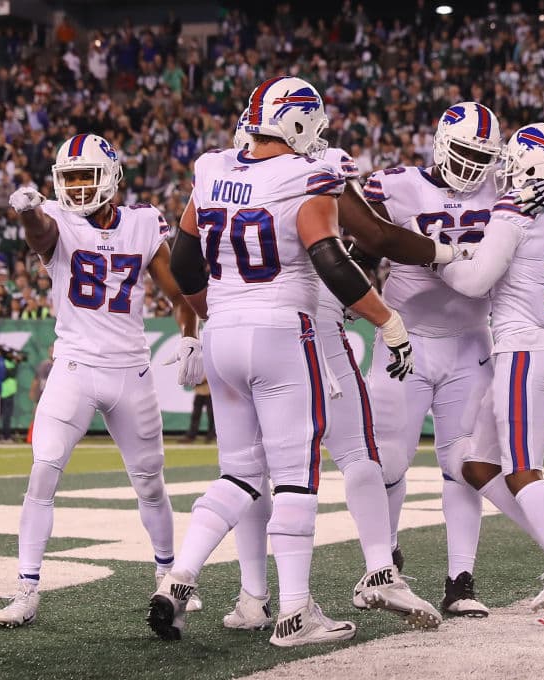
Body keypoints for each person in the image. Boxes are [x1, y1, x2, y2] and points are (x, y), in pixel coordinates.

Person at [152, 77, 427, 647]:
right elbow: (330, 258)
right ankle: (296, 612)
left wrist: (209, 318)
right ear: (299, 123)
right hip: (283, 330)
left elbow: (182, 263)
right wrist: (388, 322)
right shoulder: (308, 175)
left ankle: (178, 580)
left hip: (223, 333)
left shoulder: (211, 170)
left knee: (238, 473)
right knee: (299, 476)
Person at [221, 107, 465, 631]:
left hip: (238, 328)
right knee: (353, 450)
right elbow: (376, 238)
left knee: (250, 471)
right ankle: (374, 571)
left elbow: (197, 258)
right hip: (311, 324)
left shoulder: (218, 174)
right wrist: (446, 255)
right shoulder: (318, 168)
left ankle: (250, 596)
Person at [363, 106, 544, 616]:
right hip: (405, 336)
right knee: (389, 458)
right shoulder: (397, 183)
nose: (472, 167)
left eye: (482, 158)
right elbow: (359, 230)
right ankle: (383, 562)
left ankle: (461, 581)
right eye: (465, 153)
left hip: (472, 340)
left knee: (462, 465)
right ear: (441, 143)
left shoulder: (511, 188)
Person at [0, 132, 201, 629]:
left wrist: (191, 335)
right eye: (69, 178)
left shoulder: (143, 222)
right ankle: (27, 588)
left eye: (86, 176)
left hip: (131, 370)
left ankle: (169, 579)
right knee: (43, 471)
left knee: (151, 485)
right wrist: (26, 213)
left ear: (111, 176)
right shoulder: (57, 221)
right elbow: (41, 234)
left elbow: (177, 295)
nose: (78, 188)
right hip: (76, 367)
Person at [441, 122, 544, 627]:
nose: (507, 169)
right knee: (473, 464)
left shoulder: (516, 209)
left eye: (514, 159)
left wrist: (437, 256)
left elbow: (474, 281)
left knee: (521, 469)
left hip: (522, 347)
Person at [179, 379, 214, 444]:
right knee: (195, 415)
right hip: (199, 393)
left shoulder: (207, 369)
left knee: (211, 415)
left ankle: (211, 435)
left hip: (209, 393)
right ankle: (191, 435)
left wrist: (197, 381)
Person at [0, 348, 18, 442]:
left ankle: (6, 435)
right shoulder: (4, 362)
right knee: (5, 416)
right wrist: (15, 363)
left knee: (7, 416)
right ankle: (5, 435)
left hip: (10, 392)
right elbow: (8, 374)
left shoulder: (9, 362)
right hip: (5, 392)